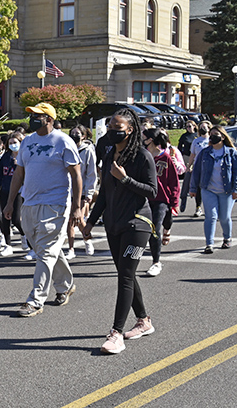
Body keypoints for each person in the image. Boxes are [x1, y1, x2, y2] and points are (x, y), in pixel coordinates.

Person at [81, 108, 158, 354]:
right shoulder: (108, 153)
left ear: (131, 129)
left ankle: (116, 334)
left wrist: (125, 180)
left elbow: (151, 191)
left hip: (138, 224)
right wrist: (91, 222)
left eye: (118, 128)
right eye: (110, 127)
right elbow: (104, 193)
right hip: (114, 224)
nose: (113, 131)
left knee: (125, 275)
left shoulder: (142, 156)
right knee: (126, 273)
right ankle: (144, 321)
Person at [3, 103, 82, 318]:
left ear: (48, 119)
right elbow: (19, 174)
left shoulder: (63, 141)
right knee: (44, 249)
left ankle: (36, 300)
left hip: (55, 204)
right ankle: (65, 285)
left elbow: (76, 175)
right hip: (29, 203)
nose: (32, 119)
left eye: (36, 116)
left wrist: (76, 207)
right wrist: (10, 202)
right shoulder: (27, 142)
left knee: (46, 252)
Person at [189, 126, 237, 253]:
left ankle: (227, 238)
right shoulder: (205, 152)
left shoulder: (231, 152)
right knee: (210, 216)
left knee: (224, 217)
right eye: (211, 134)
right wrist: (193, 188)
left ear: (223, 137)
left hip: (227, 190)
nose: (212, 136)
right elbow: (196, 171)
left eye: (216, 134)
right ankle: (209, 244)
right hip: (208, 189)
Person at [142, 129, 181, 277]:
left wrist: (174, 201)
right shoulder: (142, 156)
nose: (142, 140)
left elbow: (174, 182)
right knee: (146, 229)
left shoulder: (166, 158)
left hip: (161, 199)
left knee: (156, 228)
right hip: (145, 198)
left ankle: (156, 262)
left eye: (145, 138)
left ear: (151, 140)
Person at [65, 125, 97, 259]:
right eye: (72, 133)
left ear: (83, 136)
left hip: (81, 191)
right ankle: (71, 249)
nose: (74, 135)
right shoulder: (67, 148)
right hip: (67, 191)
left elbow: (91, 173)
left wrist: (89, 192)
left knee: (79, 220)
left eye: (77, 133)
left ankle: (87, 239)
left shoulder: (88, 150)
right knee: (68, 220)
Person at [0, 132, 23, 257]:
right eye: (10, 143)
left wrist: (20, 166)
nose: (13, 145)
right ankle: (8, 245)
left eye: (15, 143)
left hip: (20, 192)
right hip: (5, 191)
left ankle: (25, 237)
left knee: (16, 219)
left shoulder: (24, 157)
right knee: (4, 217)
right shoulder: (5, 157)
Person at [188, 121, 212, 216]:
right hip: (198, 167)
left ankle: (209, 208)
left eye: (204, 127)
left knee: (209, 188)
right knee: (198, 188)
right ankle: (198, 207)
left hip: (209, 167)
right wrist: (189, 166)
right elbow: (192, 154)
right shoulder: (196, 141)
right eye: (201, 127)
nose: (202, 129)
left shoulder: (211, 140)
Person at [177, 121, 197, 213]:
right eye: (187, 127)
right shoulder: (184, 136)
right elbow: (180, 147)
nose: (188, 128)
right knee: (187, 178)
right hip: (187, 157)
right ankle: (183, 199)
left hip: (196, 157)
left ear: (194, 126)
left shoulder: (197, 136)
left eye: (190, 126)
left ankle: (198, 204)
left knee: (195, 179)